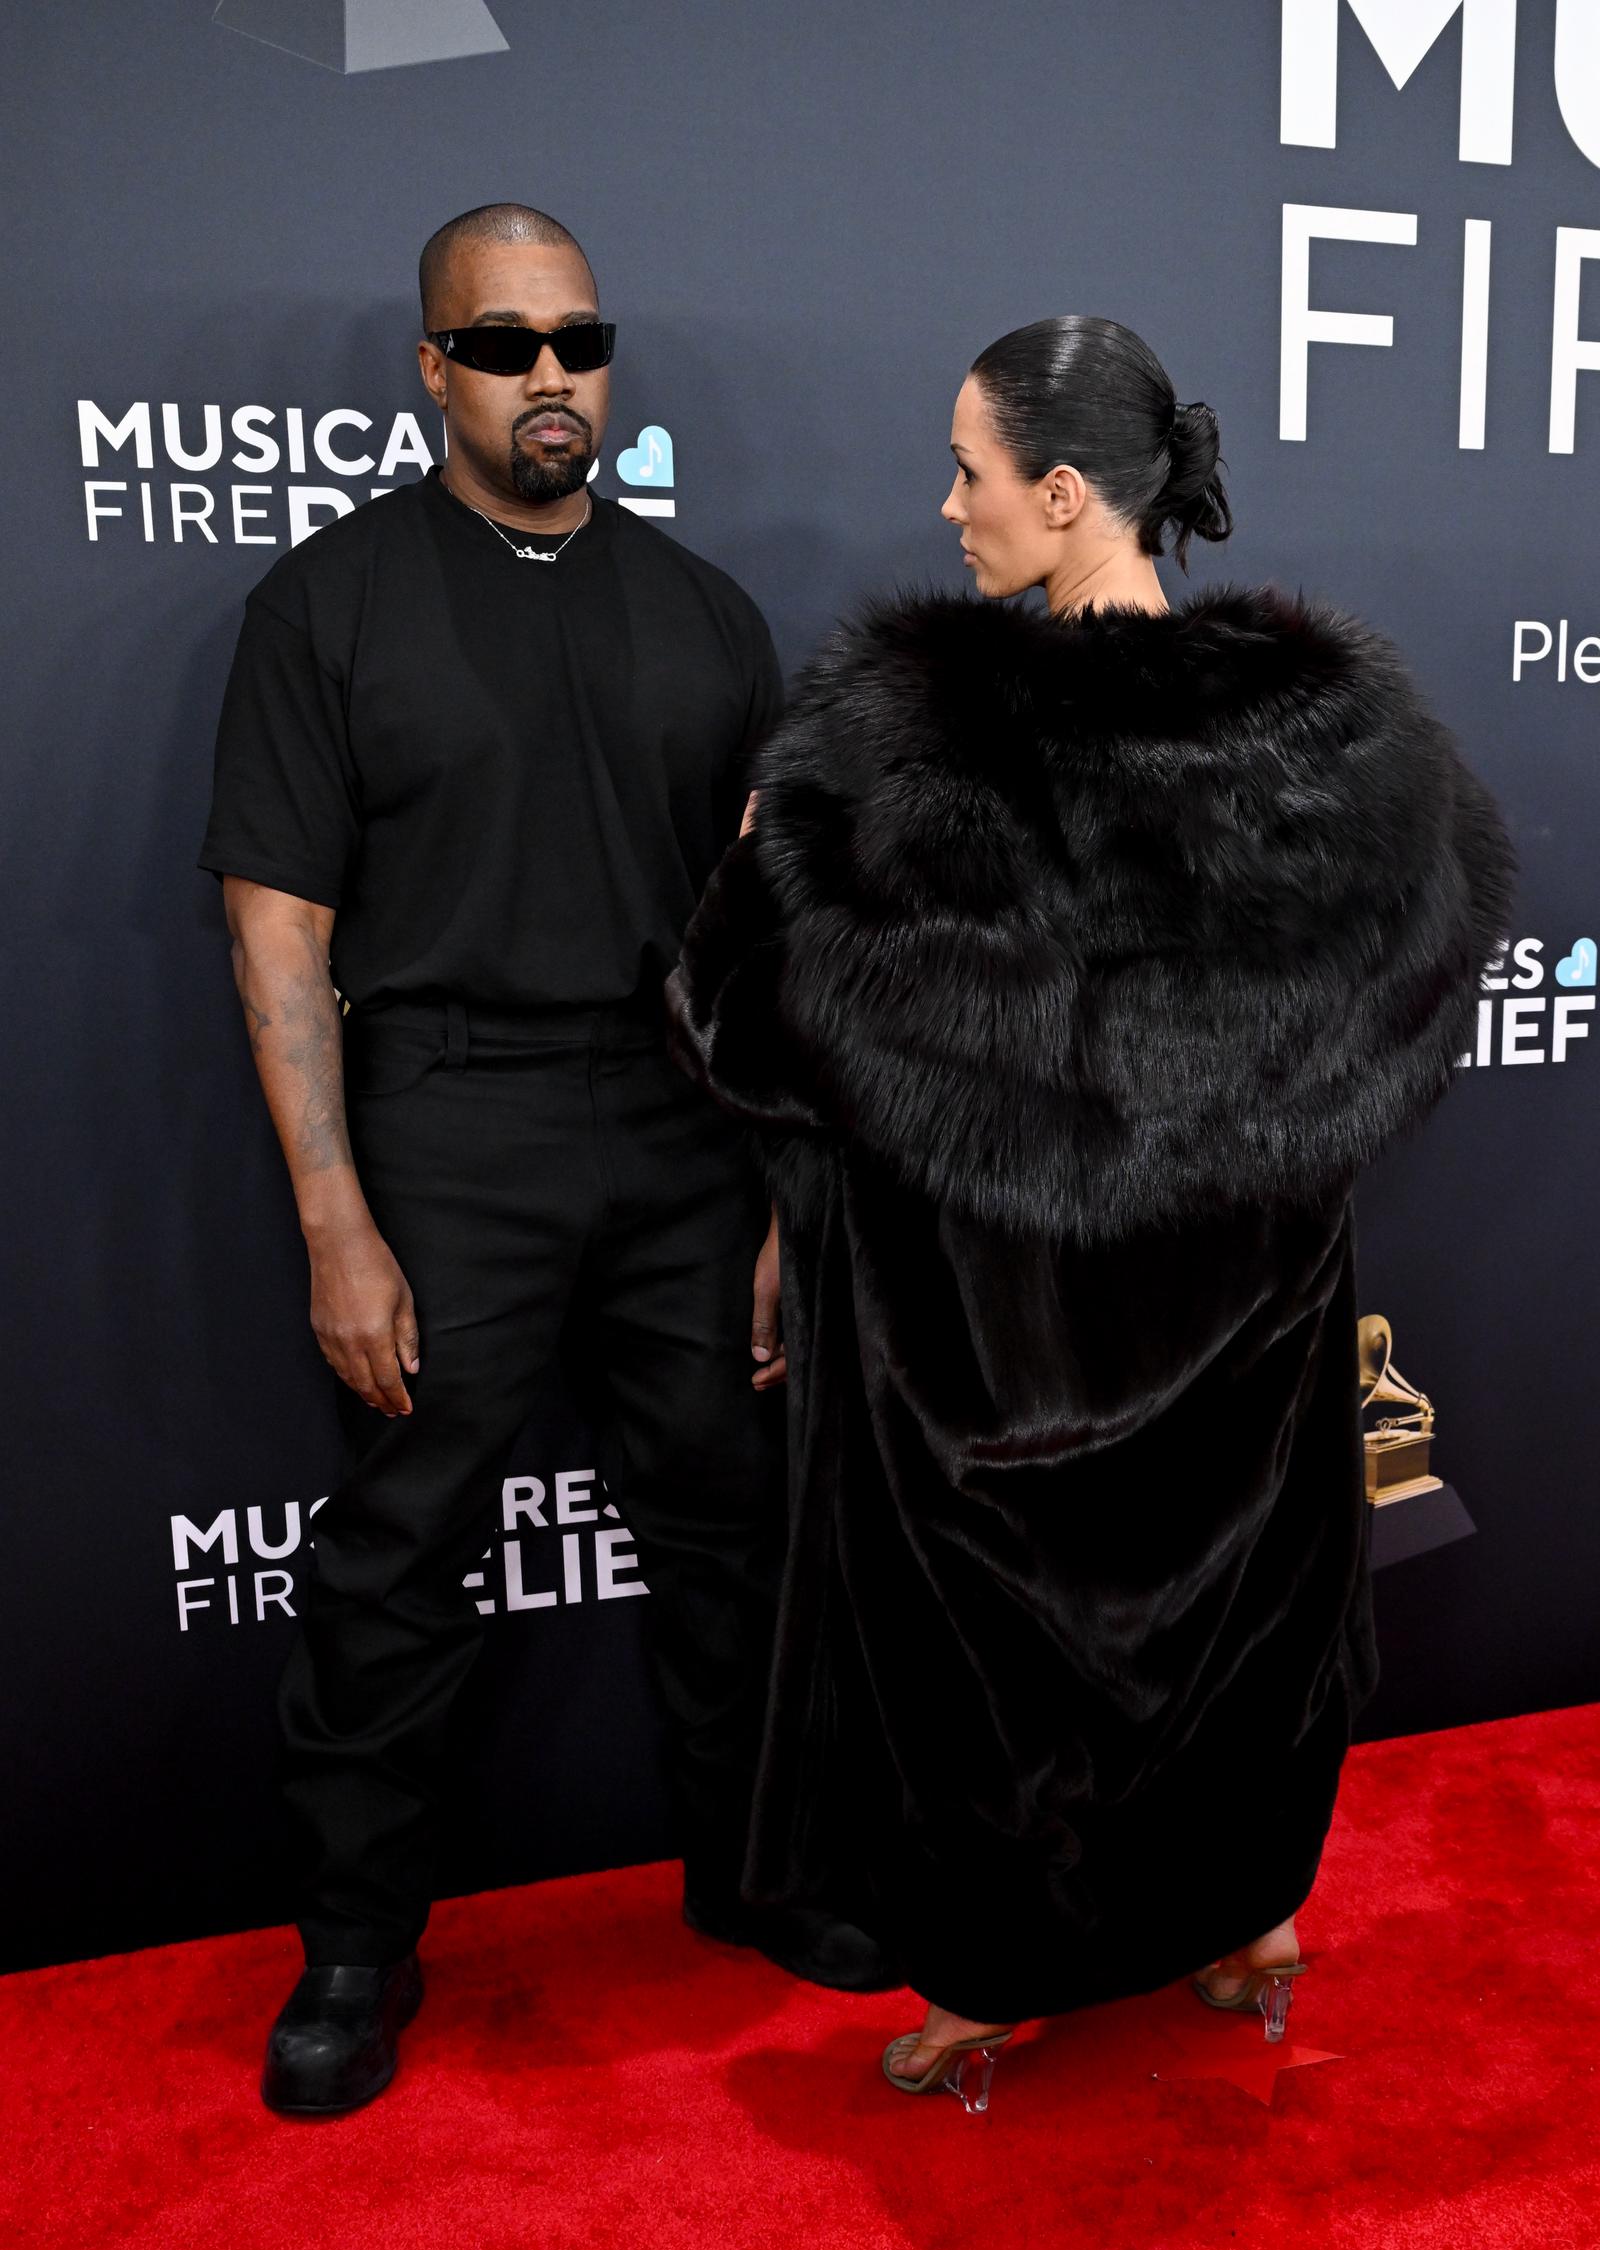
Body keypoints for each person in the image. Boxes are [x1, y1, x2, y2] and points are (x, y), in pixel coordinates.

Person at [667, 316, 1515, 2109]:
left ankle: (994, 1979)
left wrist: (760, 869)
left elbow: (751, 1025)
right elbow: (1438, 946)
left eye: (970, 471)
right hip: (1250, 1314)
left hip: (999, 1343)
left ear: (1062, 494)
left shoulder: (915, 750)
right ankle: (1252, 1922)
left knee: (1002, 1660)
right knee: (1242, 1619)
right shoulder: (1328, 744)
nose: (947, 506)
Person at [200, 203, 895, 2119]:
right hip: (446, 1122)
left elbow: (763, 940)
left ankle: (759, 1876)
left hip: (682, 1123)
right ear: (433, 371)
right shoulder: (325, 606)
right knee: (402, 1548)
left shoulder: (705, 615)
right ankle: (355, 1943)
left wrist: (769, 1193)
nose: (549, 379)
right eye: (501, 346)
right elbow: (276, 931)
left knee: (730, 1528)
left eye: (577, 342)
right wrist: (339, 1220)